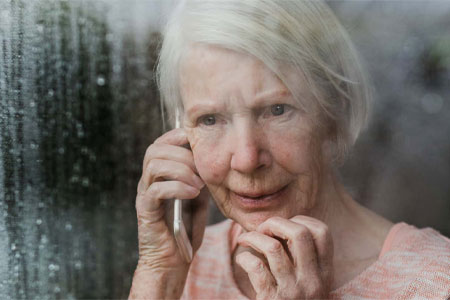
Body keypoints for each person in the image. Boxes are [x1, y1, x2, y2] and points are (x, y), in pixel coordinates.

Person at [129, 1, 450, 299]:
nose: (246, 159)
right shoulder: (184, 265)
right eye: (210, 119)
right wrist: (159, 277)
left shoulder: (435, 282)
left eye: (277, 110)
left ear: (334, 111)